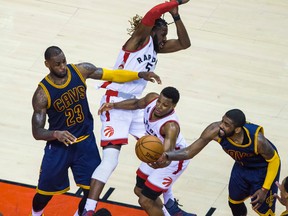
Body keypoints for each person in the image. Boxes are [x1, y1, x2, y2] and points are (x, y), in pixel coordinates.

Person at [84, 0, 191, 215]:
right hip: (115, 103)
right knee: (111, 160)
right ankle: (89, 209)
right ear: (153, 30)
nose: (164, 39)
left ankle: (170, 204)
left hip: (134, 105)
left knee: (163, 149)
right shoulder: (138, 40)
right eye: (162, 33)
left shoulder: (157, 49)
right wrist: (174, 2)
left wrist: (176, 16)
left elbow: (184, 43)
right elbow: (152, 12)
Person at [31, 46, 161, 216]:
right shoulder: (42, 93)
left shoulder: (80, 70)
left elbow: (112, 74)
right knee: (44, 194)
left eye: (64, 61)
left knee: (91, 191)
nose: (62, 66)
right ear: (47, 64)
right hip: (58, 147)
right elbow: (37, 132)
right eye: (57, 64)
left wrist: (139, 74)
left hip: (85, 142)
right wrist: (55, 133)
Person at [159, 109, 281, 216]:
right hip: (242, 165)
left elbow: (274, 161)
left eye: (226, 124)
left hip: (263, 169)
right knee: (234, 203)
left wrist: (264, 190)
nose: (221, 125)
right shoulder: (215, 130)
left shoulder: (257, 140)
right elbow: (189, 152)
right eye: (222, 121)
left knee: (263, 209)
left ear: (237, 129)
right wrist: (167, 155)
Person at [96, 87, 196, 216]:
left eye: (165, 105)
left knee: (145, 200)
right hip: (157, 152)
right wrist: (113, 105)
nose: (159, 106)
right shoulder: (151, 99)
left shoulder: (170, 126)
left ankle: (172, 209)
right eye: (159, 101)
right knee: (139, 189)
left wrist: (155, 162)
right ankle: (169, 212)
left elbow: (167, 157)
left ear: (173, 106)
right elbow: (136, 104)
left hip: (174, 160)